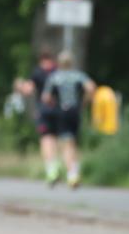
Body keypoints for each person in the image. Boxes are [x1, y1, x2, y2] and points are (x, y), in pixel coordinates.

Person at [43, 51, 96, 187]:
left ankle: (71, 174)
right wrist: (84, 102)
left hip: (61, 112)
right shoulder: (78, 75)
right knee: (72, 142)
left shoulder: (55, 77)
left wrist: (53, 104)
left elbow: (46, 97)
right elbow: (91, 88)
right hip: (75, 112)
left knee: (65, 144)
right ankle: (74, 172)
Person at [25, 50, 61, 184]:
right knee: (56, 139)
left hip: (44, 110)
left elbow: (28, 90)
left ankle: (51, 171)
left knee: (46, 140)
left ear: (41, 59)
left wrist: (22, 87)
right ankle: (57, 165)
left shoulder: (37, 72)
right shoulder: (58, 71)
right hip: (59, 110)